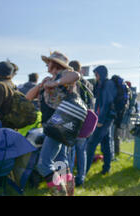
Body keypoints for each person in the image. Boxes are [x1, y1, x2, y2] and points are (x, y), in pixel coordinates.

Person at [26, 51, 80, 196]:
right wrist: (41, 85)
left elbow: (76, 75)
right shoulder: (49, 79)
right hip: (56, 126)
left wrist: (55, 82)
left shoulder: (65, 75)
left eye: (49, 62)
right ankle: (69, 193)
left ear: (55, 64)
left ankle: (61, 194)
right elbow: (28, 97)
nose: (47, 64)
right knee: (61, 162)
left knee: (44, 165)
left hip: (58, 125)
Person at [67, 60, 95, 187]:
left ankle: (70, 178)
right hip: (86, 120)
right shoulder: (88, 83)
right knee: (81, 150)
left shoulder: (72, 82)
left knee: (70, 151)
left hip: (74, 119)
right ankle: (81, 177)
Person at [85, 65, 117, 176]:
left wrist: (100, 120)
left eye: (96, 74)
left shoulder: (108, 84)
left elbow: (106, 103)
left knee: (91, 144)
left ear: (101, 74)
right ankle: (106, 169)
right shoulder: (102, 84)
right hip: (105, 118)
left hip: (104, 119)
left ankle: (84, 171)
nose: (95, 76)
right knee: (106, 144)